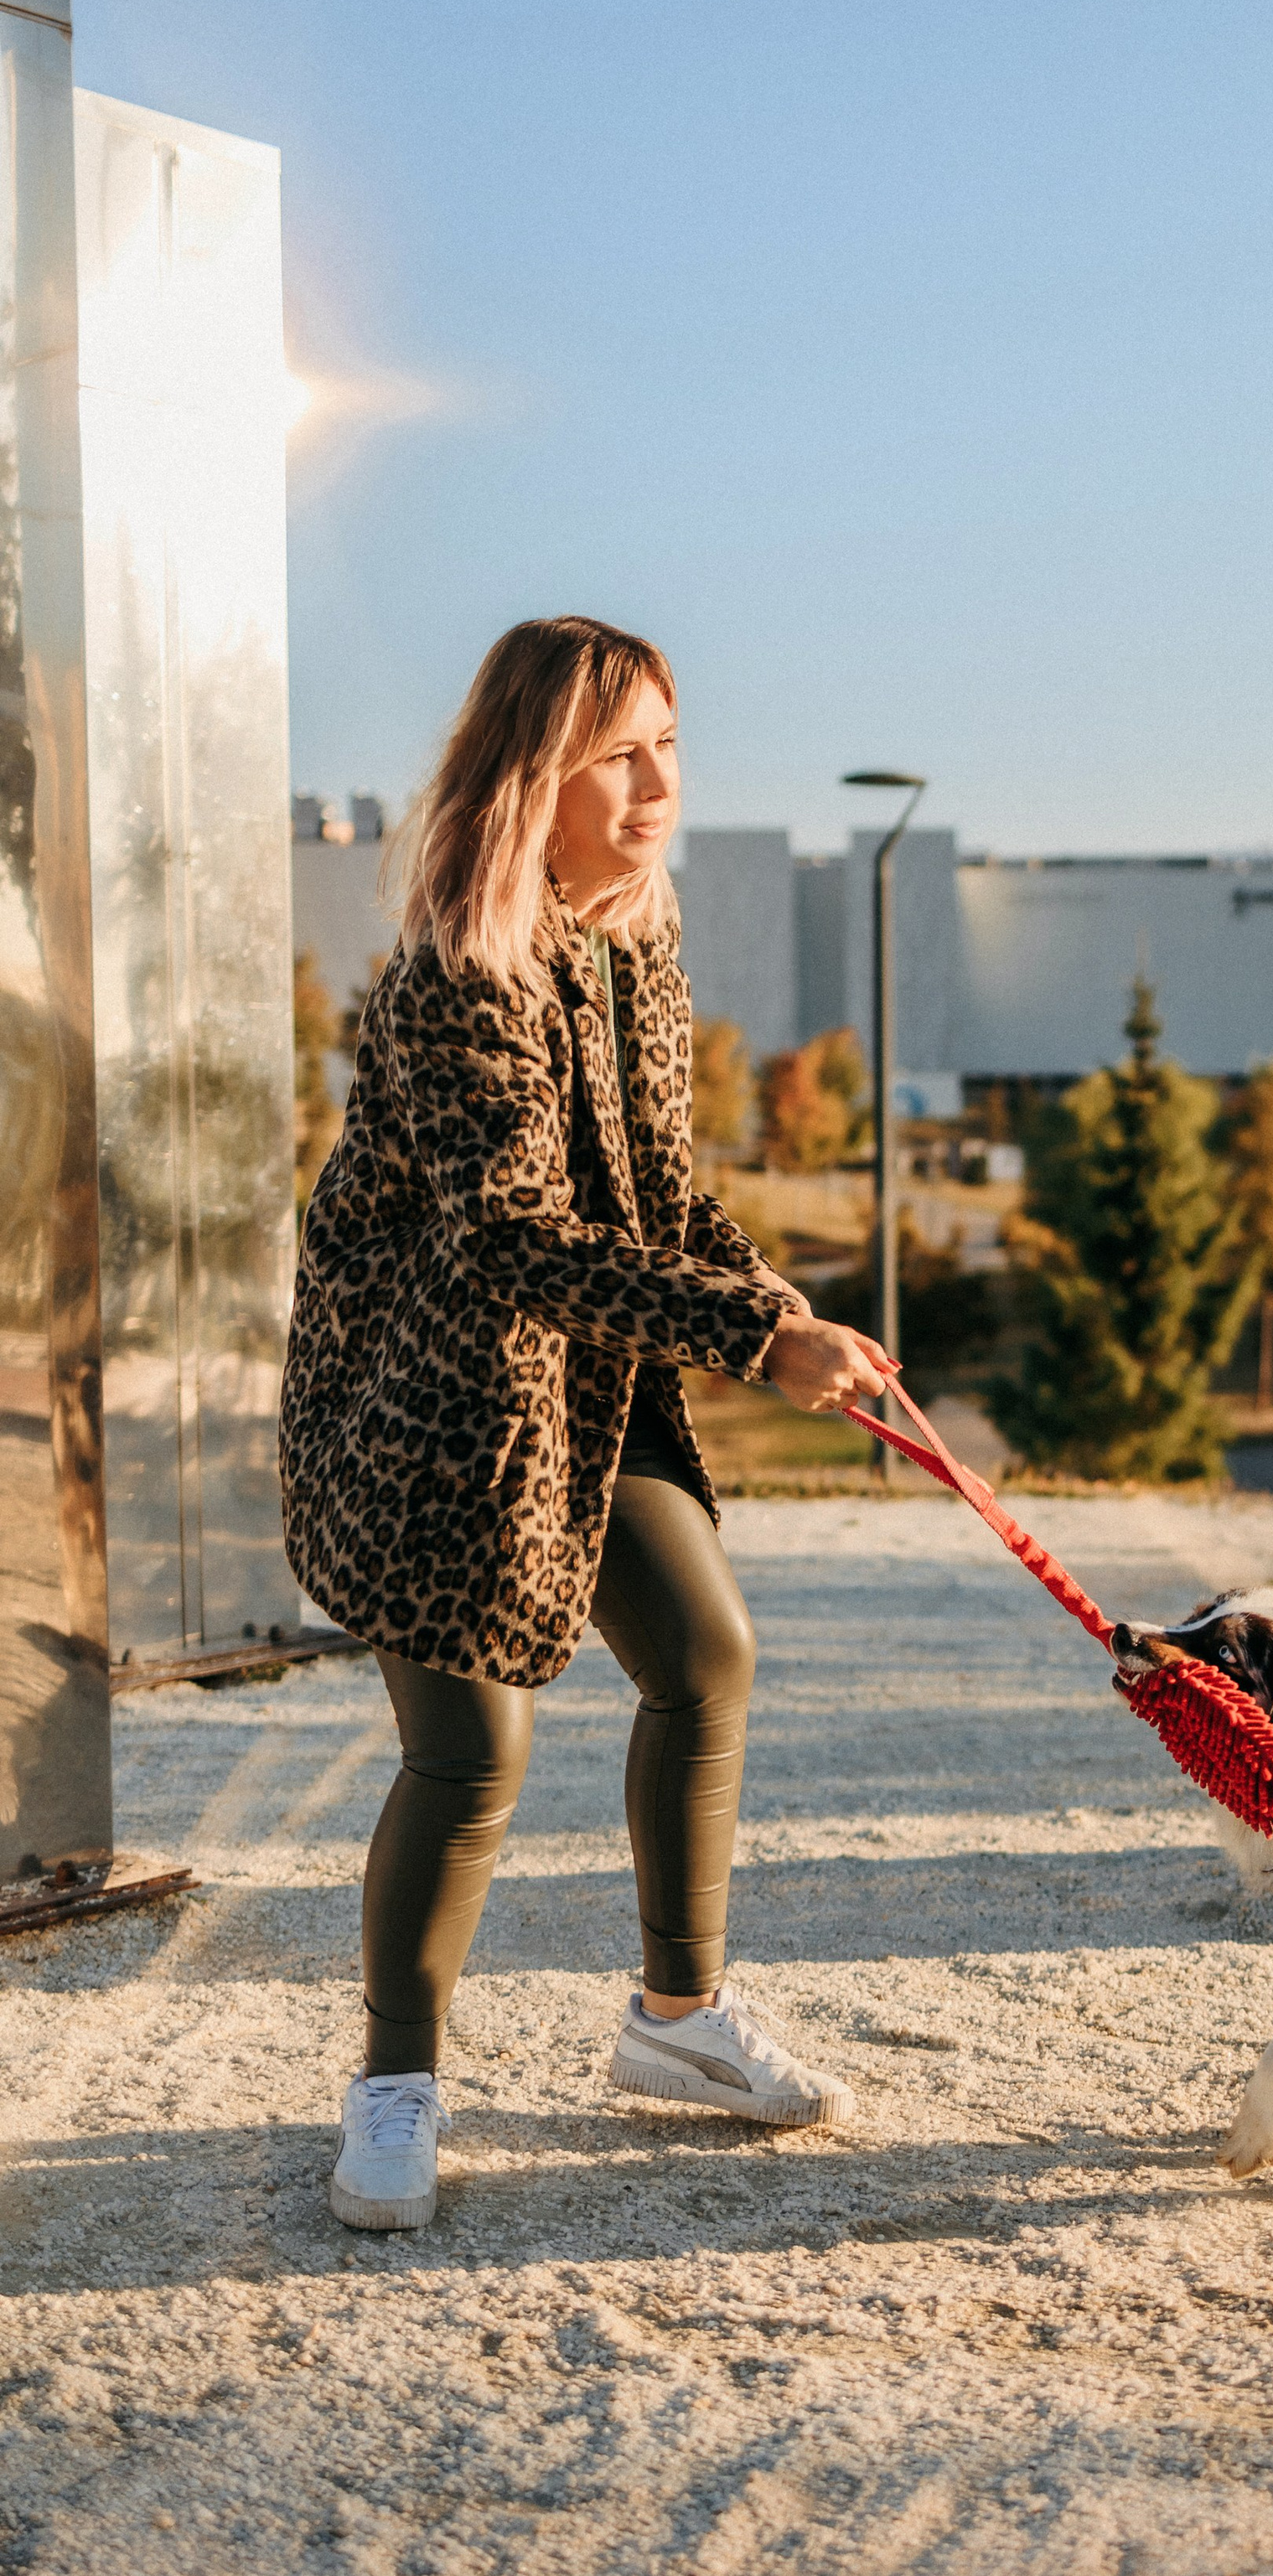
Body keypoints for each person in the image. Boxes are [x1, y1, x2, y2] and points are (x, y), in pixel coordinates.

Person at [282, 616, 893, 2232]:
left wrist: (793, 1309)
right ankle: (395, 2087)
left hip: (591, 1387)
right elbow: (505, 1237)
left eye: (668, 750)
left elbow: (663, 1196)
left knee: (706, 1658)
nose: (655, 787)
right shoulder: (455, 979)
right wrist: (759, 1340)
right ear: (526, 778)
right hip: (433, 1413)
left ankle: (677, 2026)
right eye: (615, 755)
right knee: (470, 1753)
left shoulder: (636, 956)